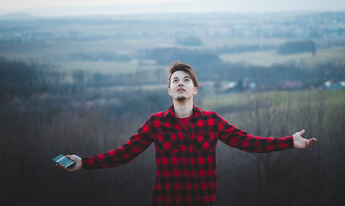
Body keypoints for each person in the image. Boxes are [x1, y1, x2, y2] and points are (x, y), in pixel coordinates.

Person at [56, 61, 316, 206]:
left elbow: (249, 143)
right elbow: (124, 154)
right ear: (169, 91)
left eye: (186, 80)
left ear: (195, 90)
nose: (180, 83)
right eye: (175, 81)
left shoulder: (212, 122)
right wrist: (84, 163)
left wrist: (289, 142)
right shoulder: (155, 123)